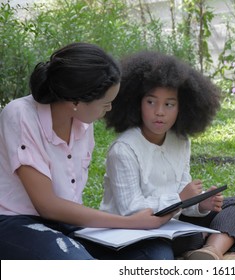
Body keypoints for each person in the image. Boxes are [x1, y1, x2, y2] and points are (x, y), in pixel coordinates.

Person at [0, 43, 175, 260]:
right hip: (17, 223)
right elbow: (47, 205)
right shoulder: (20, 114)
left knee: (154, 252)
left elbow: (68, 206)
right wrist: (130, 223)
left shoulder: (83, 122)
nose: (109, 109)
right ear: (76, 101)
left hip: (69, 223)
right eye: (105, 103)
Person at [100, 51, 235, 260]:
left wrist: (201, 204)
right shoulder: (123, 149)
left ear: (182, 107)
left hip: (173, 220)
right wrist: (178, 200)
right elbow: (130, 210)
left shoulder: (180, 141)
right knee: (184, 239)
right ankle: (229, 235)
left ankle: (211, 250)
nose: (159, 112)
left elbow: (183, 194)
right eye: (151, 102)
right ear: (136, 102)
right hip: (135, 229)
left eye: (169, 104)